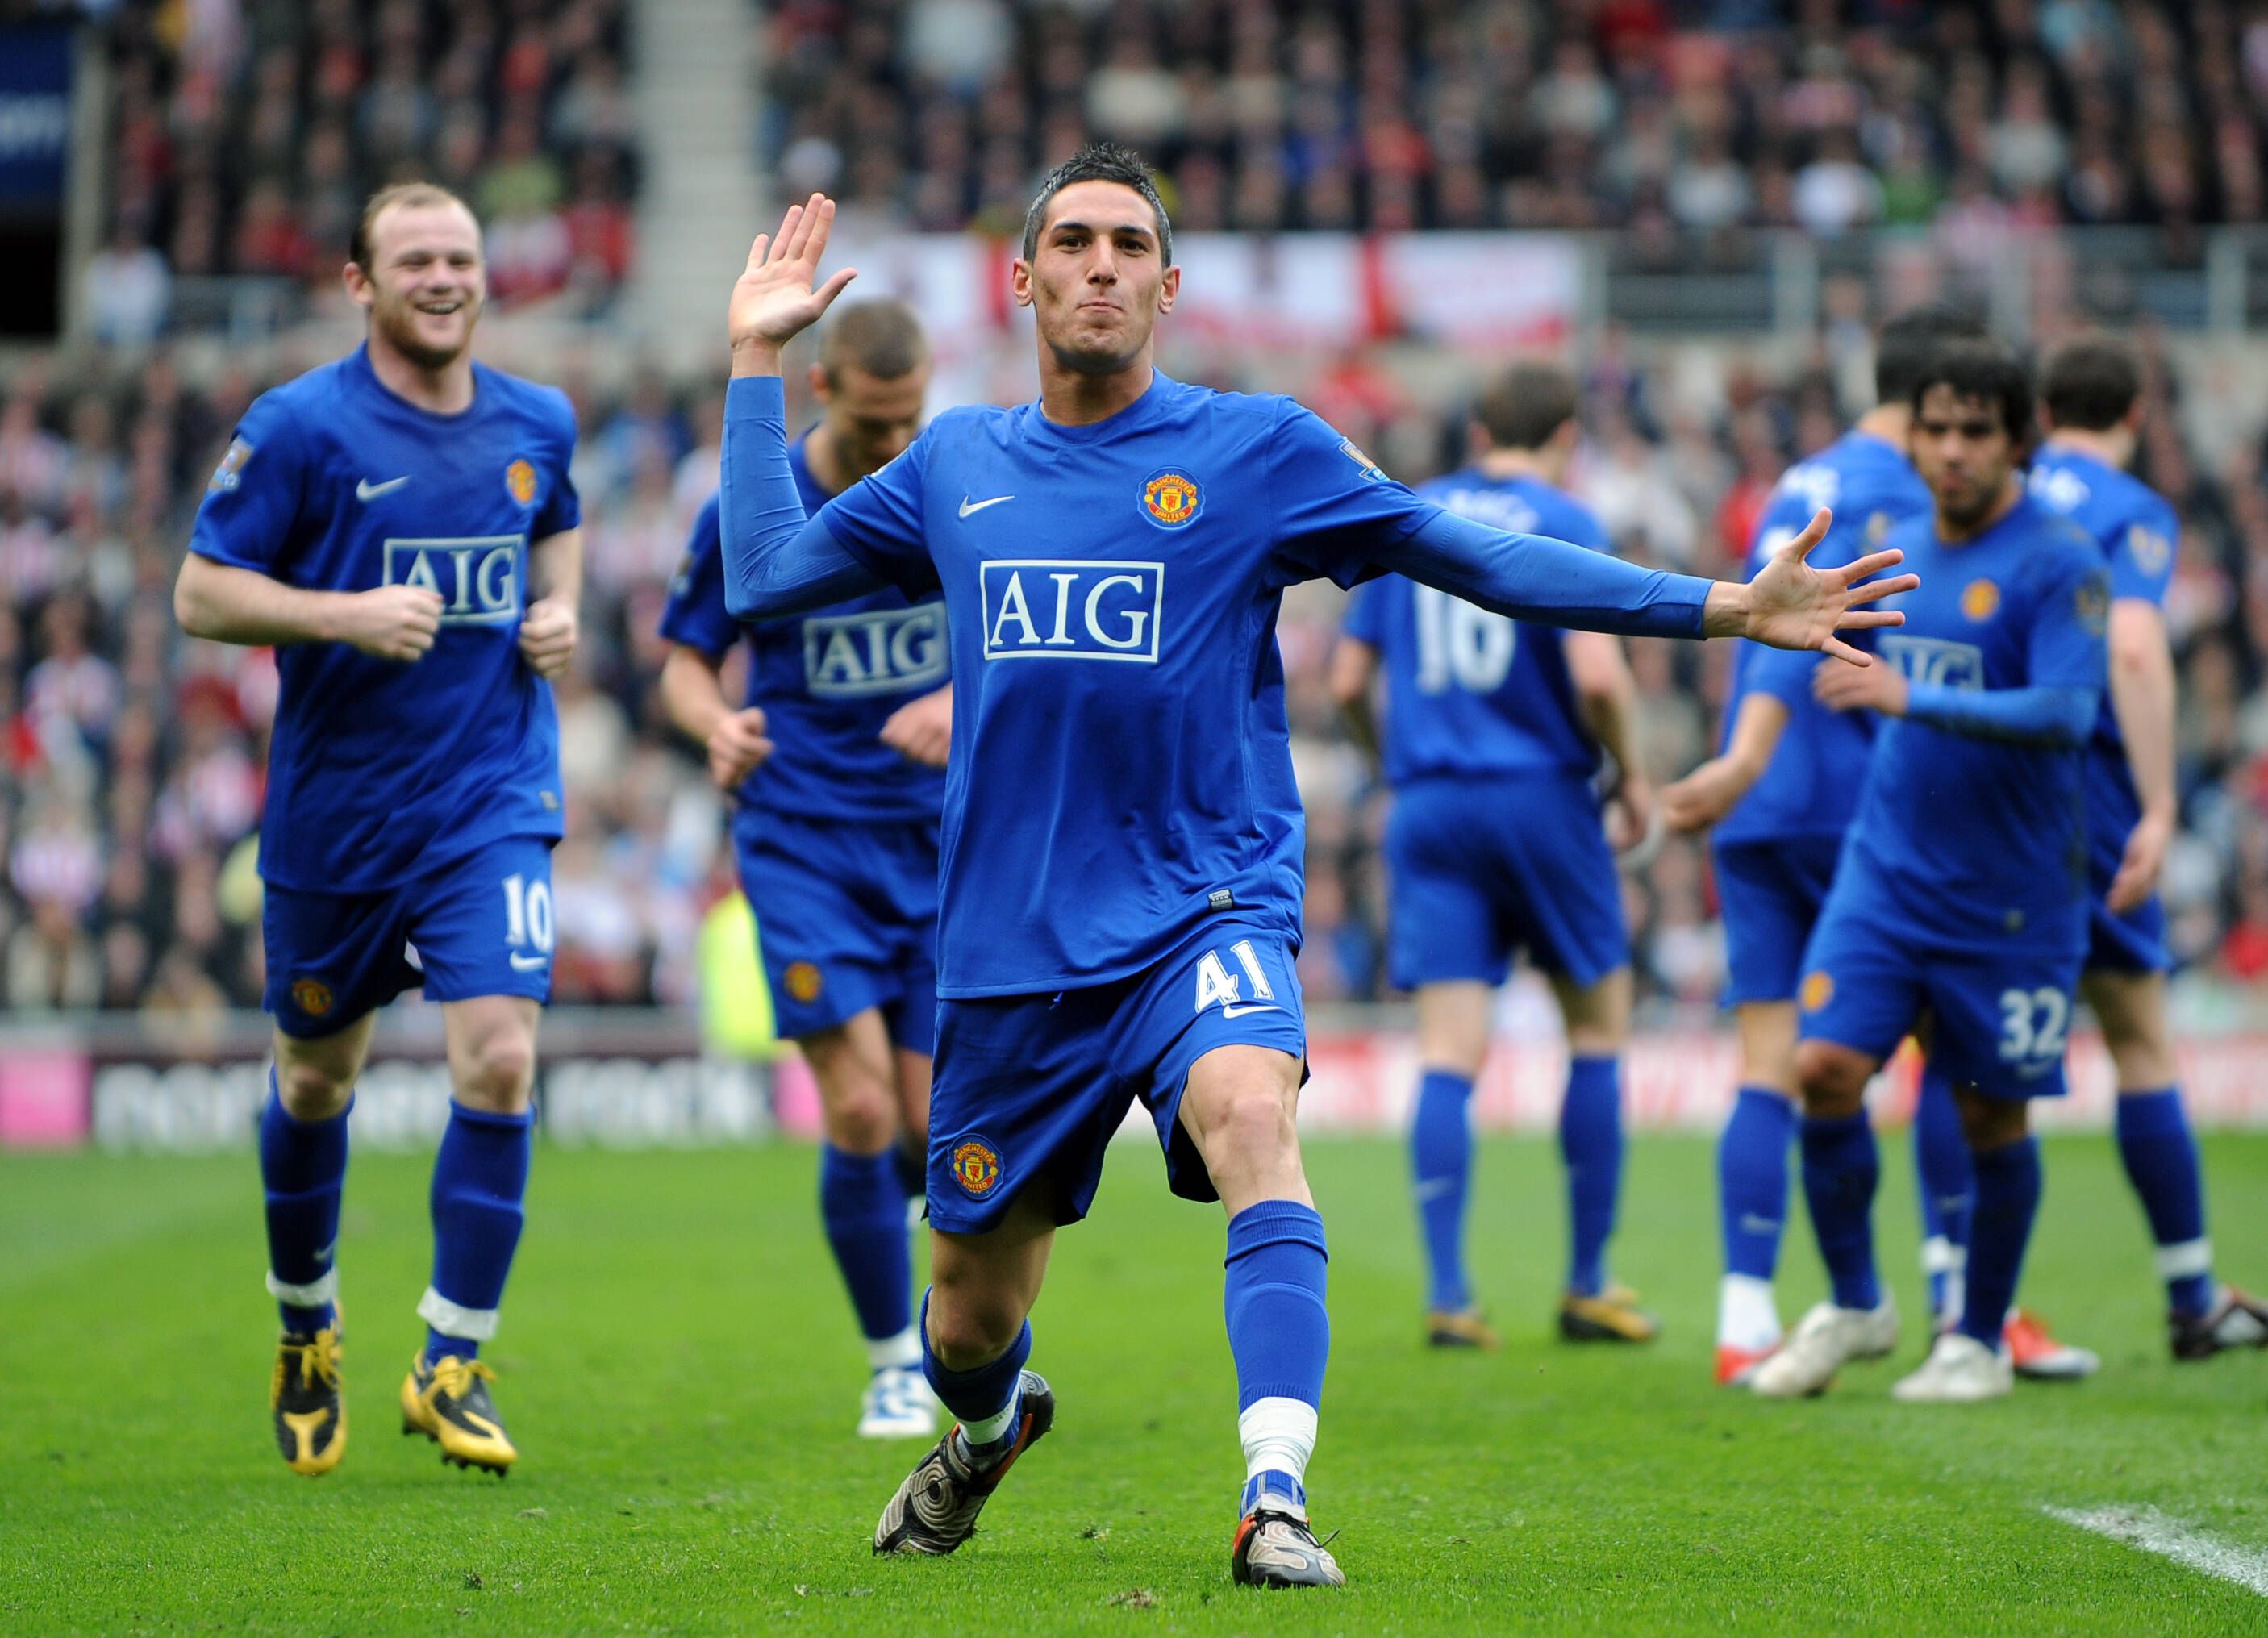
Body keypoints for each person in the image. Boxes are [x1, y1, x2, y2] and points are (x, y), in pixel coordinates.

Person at [715, 148, 1910, 1587]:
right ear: (1022, 279)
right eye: (1073, 242)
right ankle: (984, 1431)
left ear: (1169, 285)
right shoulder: (956, 461)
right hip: (1010, 944)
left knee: (1248, 1111)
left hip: (1202, 899)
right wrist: (753, 362)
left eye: (1129, 245)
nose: (1101, 266)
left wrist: (1723, 606)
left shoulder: (1257, 451)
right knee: (968, 1321)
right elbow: (762, 576)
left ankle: (1272, 1496)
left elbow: (1473, 554)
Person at [174, 181, 582, 1478]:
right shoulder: (299, 425)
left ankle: (450, 1358)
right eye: (416, 261)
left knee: (502, 1057)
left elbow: (556, 528)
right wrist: (342, 615)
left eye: (461, 256)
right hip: (339, 818)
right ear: (361, 283)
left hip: (490, 799)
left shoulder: (540, 418)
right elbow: (199, 593)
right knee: (313, 1081)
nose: (445, 278)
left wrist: (559, 611)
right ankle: (307, 1325)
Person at [1749, 343, 2107, 1404]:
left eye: (1975, 430)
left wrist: (1912, 698)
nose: (1952, 449)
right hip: (1888, 872)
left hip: (2012, 894)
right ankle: (1859, 1303)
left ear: (2017, 441)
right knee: (1821, 1067)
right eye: (1935, 428)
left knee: (1990, 1114)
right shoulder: (1894, 548)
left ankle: (1979, 1339)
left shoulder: (2060, 560)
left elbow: (2067, 712)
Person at [1908, 335, 2268, 1361]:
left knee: (1953, 1041)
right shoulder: (2127, 509)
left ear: (2032, 416)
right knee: (2136, 1032)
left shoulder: (1990, 496)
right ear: (2136, 414)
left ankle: (1951, 1291)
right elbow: (2135, 647)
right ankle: (2189, 1294)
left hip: (1971, 795)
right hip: (2086, 796)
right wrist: (2158, 803)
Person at [1661, 306, 1992, 1386]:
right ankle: (1959, 1300)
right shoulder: (1921, 492)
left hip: (1762, 817)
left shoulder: (1804, 480)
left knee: (1767, 1062)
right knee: (1945, 1040)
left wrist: (1743, 766)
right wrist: (1747, 756)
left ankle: (1744, 1313)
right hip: (1861, 808)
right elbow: (1793, 642)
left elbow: (1765, 623)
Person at [657, 298, 955, 1438]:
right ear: (820, 390)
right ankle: (893, 1360)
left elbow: (1016, 638)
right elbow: (686, 659)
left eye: (911, 418)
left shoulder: (947, 488)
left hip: (938, 840)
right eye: (876, 422)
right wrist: (714, 724)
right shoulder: (756, 500)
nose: (895, 441)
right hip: (803, 839)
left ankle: (949, 1320)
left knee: (930, 1123)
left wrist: (958, 698)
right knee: (862, 1103)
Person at [1328, 359, 1656, 1351]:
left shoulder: (1411, 514)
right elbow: (1596, 676)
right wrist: (1632, 774)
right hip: (1541, 794)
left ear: (1477, 434)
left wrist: (1390, 767)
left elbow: (1345, 680)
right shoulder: (1567, 514)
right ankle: (1587, 1283)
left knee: (1447, 1051)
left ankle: (1449, 1294)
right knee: (1594, 1030)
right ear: (1564, 437)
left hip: (1431, 803)